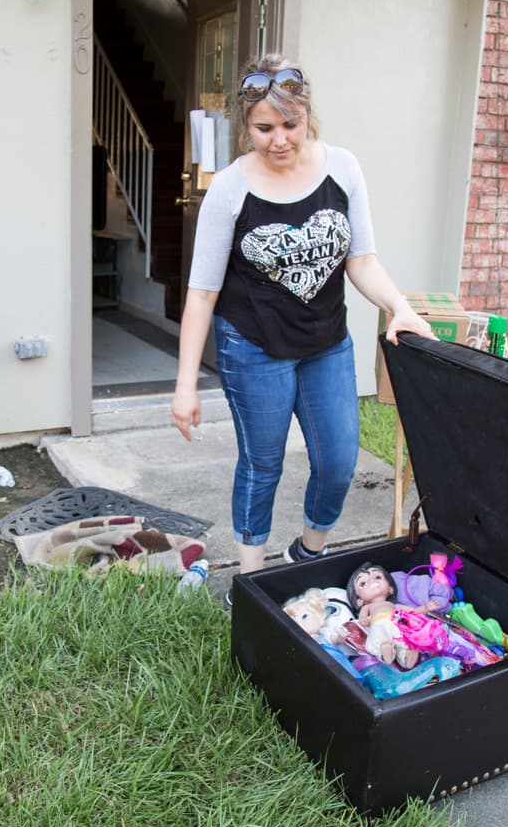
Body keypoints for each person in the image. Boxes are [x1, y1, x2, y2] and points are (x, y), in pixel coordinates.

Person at [171, 53, 436, 574]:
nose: (279, 139)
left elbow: (361, 261)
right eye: (263, 128)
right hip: (252, 347)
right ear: (246, 126)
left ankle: (307, 553)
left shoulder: (342, 168)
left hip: (326, 344)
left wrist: (400, 308)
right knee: (262, 464)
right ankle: (250, 582)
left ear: (308, 116)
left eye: (290, 125)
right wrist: (184, 385)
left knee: (338, 463)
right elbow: (201, 294)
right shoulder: (229, 189)